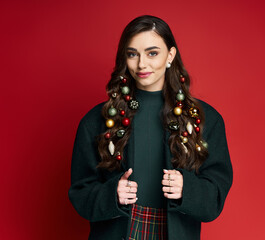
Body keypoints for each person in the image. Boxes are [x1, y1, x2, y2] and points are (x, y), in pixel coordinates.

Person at [68, 15, 233, 240]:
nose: (141, 64)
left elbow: (215, 198)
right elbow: (80, 192)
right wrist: (111, 194)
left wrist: (188, 188)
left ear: (170, 55)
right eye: (132, 54)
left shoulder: (205, 120)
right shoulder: (97, 120)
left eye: (152, 53)